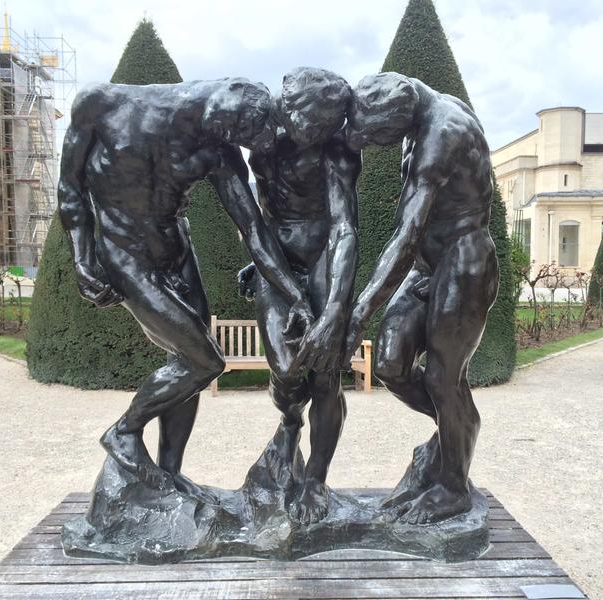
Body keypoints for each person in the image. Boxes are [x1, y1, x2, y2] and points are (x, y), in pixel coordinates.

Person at [58, 78, 314, 500]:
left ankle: (170, 475)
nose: (234, 146)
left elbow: (253, 228)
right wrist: (83, 259)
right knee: (204, 361)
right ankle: (123, 432)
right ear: (219, 111)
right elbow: (71, 188)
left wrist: (293, 294)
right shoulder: (102, 105)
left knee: (187, 360)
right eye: (236, 136)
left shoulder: (218, 149)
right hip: (124, 254)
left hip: (177, 251)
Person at [343, 73, 499, 524]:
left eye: (375, 135)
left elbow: (408, 235)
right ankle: (457, 428)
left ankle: (452, 486)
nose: (369, 142)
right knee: (390, 364)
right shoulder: (420, 112)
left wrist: (358, 313)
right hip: (429, 267)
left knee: (442, 380)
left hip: (464, 261)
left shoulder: (442, 134)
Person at [237, 67, 360, 523]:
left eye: (327, 126)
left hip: (324, 255)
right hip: (279, 258)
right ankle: (290, 421)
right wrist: (262, 257)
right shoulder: (259, 132)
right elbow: (255, 213)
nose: (320, 132)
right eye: (314, 124)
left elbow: (345, 228)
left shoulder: (337, 151)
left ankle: (316, 479)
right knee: (286, 369)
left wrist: (332, 311)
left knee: (325, 373)